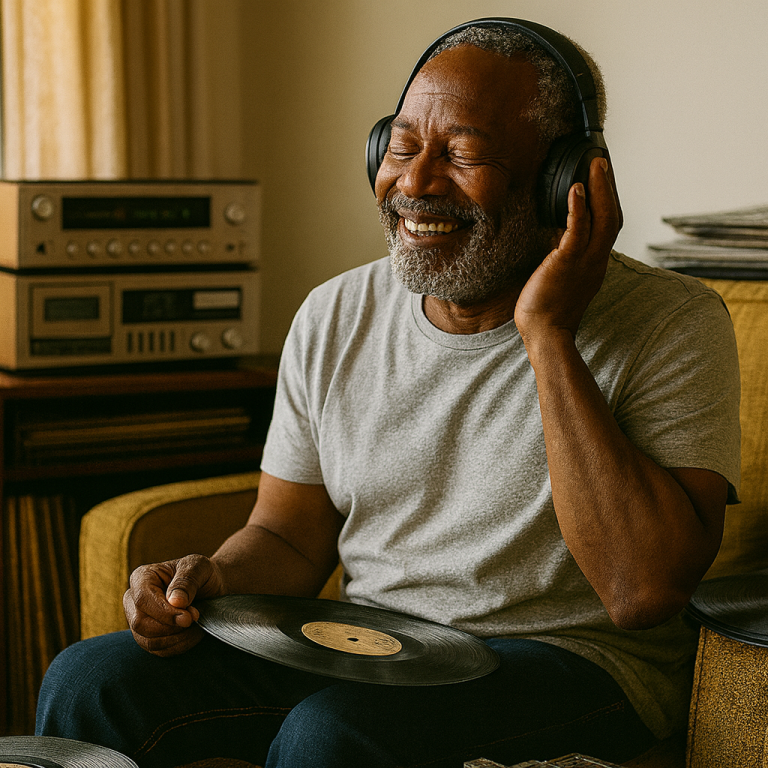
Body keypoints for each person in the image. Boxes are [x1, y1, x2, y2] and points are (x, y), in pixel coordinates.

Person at [37, 19, 740, 768]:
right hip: (375, 647)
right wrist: (213, 578)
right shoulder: (335, 313)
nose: (414, 184)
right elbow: (290, 535)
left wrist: (548, 334)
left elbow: (643, 592)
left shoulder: (673, 321)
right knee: (93, 680)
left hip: (573, 662)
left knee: (336, 734)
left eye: (462, 154)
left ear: (558, 180)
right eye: (402, 148)